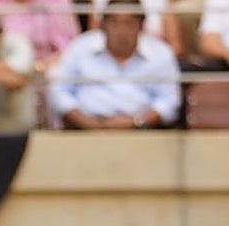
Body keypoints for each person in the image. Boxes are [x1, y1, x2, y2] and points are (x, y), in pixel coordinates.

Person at [49, 0, 180, 131]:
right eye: (114, 22)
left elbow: (169, 102)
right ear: (103, 25)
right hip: (84, 130)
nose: (122, 30)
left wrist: (137, 122)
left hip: (142, 132)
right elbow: (59, 92)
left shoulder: (161, 53)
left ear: (141, 26)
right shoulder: (81, 46)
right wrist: (86, 122)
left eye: (129, 23)